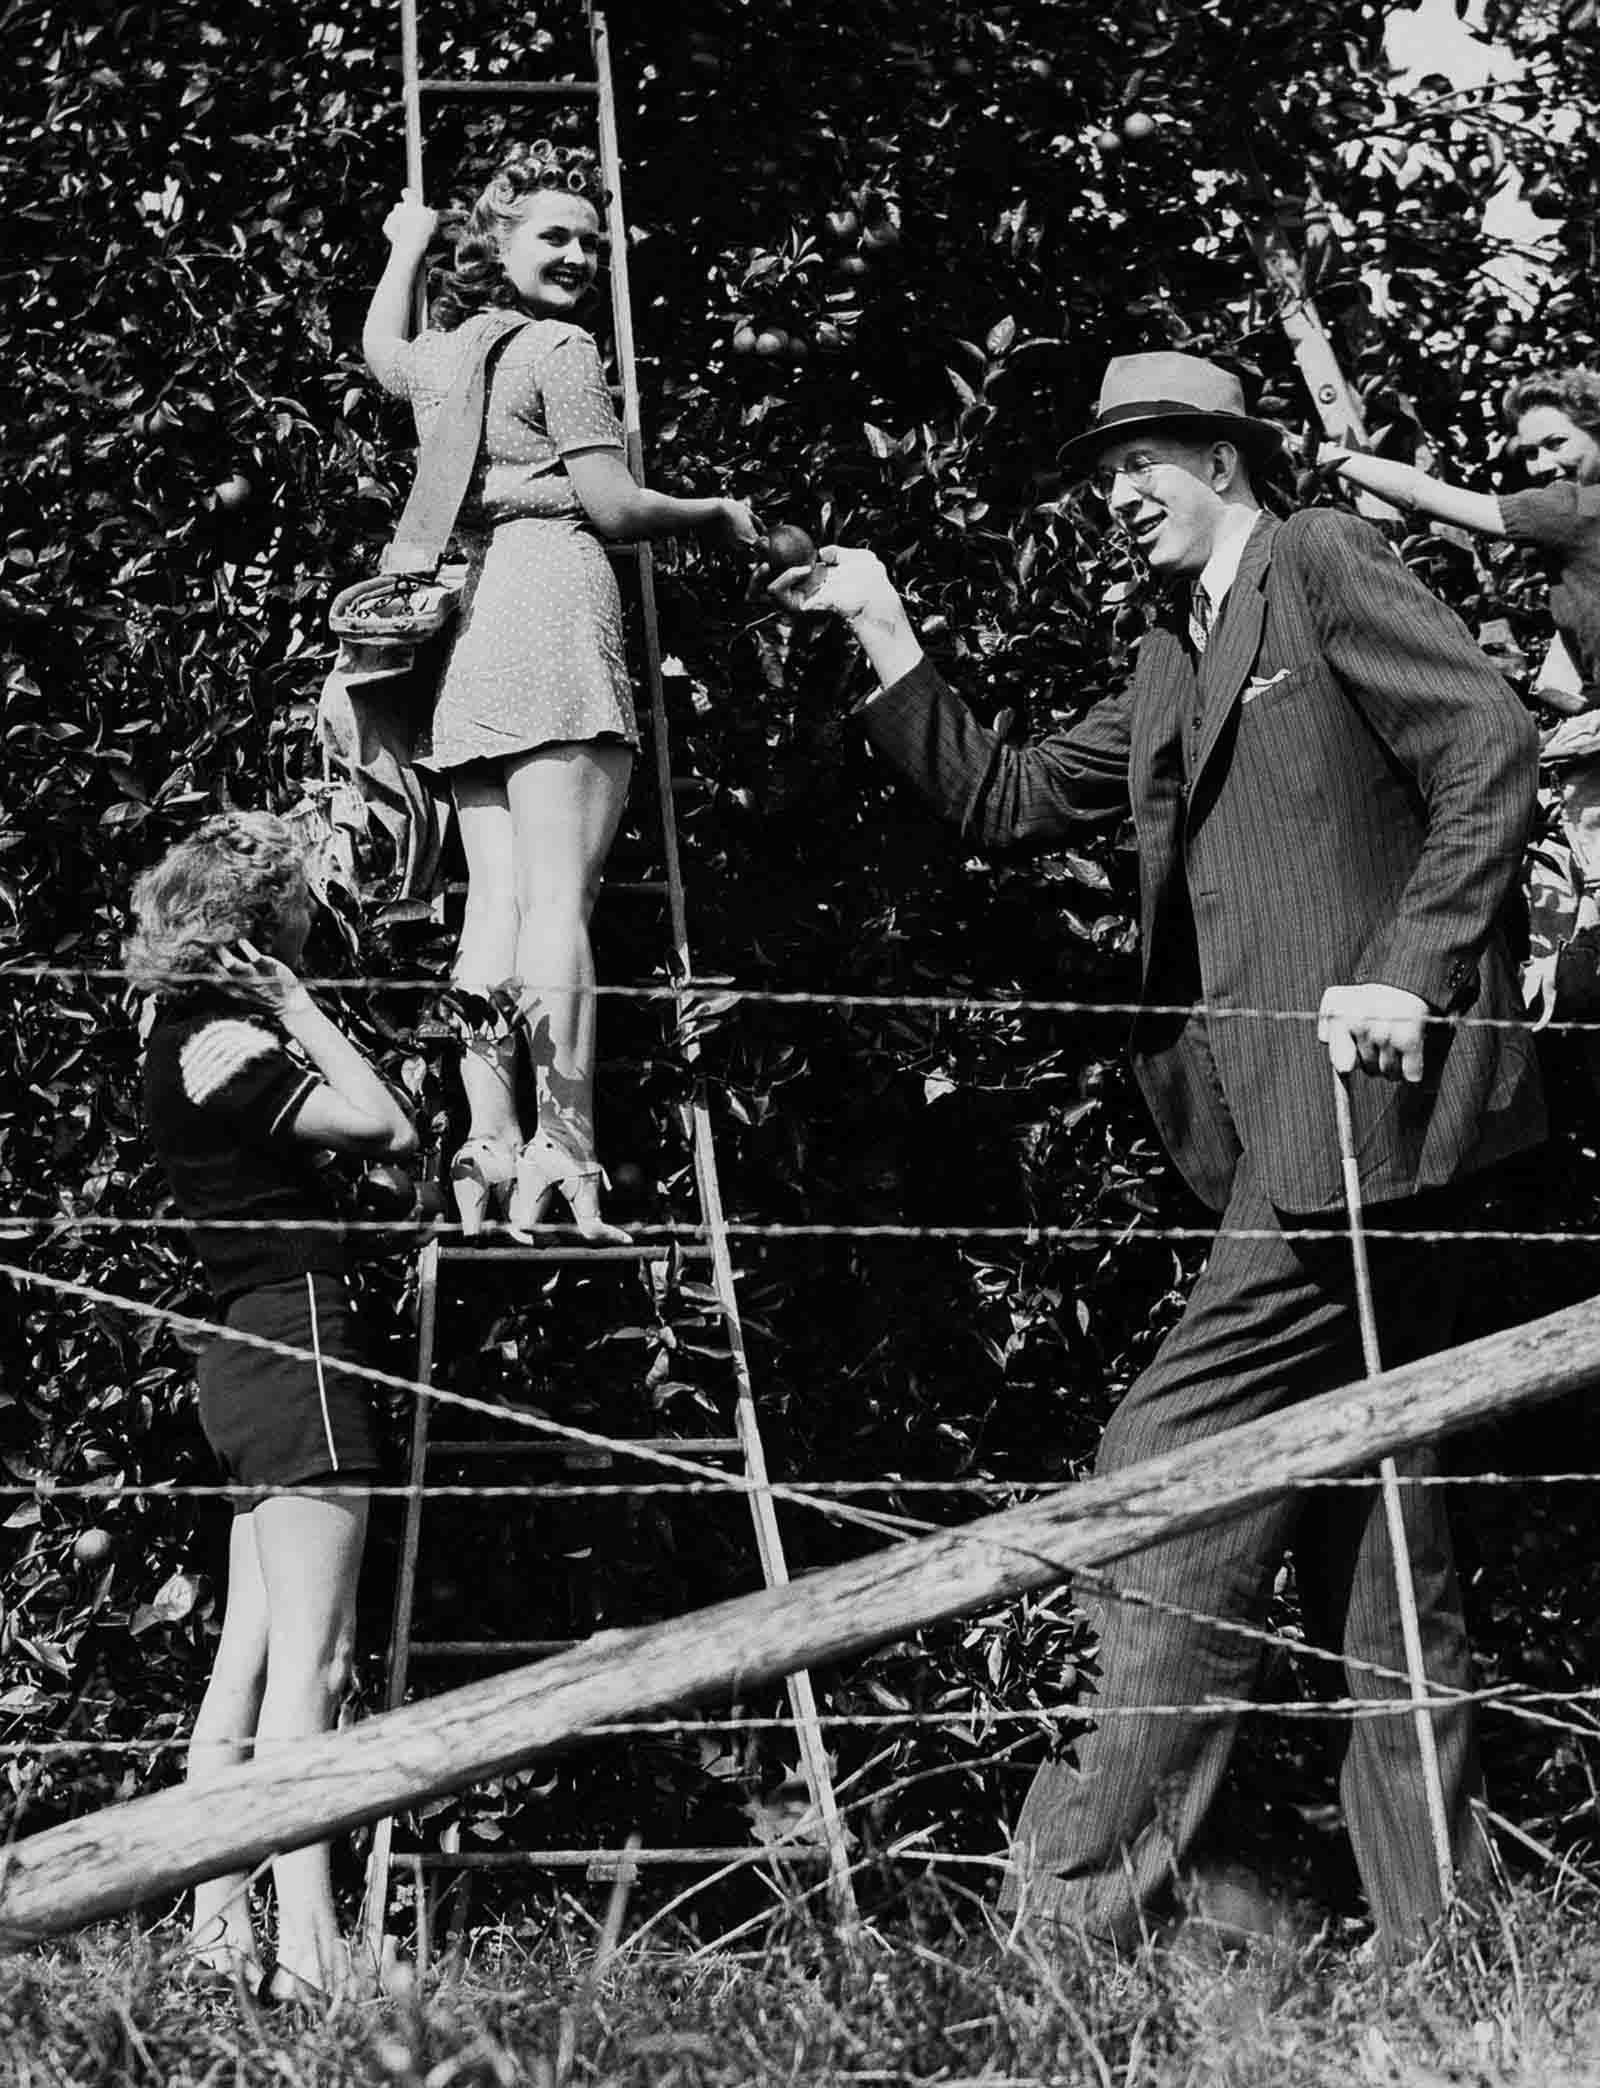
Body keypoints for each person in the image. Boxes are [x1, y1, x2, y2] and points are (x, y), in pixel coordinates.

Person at [772, 352, 1545, 1954]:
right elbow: (1001, 798)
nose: (1118, 497)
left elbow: (1490, 750)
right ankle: (1445, 1939)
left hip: (1370, 1134)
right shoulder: (1168, 658)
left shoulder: (1320, 557)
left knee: (1159, 1472)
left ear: (1226, 461)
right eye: (1106, 471)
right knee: (1374, 1532)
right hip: (1273, 1149)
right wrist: (881, 623)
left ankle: (1078, 1923)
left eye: (1144, 464)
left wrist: (1414, 965)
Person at [361, 141, 758, 1243]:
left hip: (467, 629)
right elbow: (615, 507)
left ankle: (485, 1135)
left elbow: (381, 353)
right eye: (555, 236)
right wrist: (715, 512)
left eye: (590, 239)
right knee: (557, 901)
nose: (580, 254)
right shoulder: (563, 349)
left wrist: (402, 249)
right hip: (550, 604)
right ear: (499, 247)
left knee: (490, 902)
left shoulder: (455, 355)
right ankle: (562, 1139)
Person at [128, 811, 417, 2002]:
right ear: (258, 931)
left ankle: (215, 1930)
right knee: (320, 1661)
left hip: (243, 1347)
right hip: (295, 1335)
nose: (315, 910)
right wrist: (301, 1006)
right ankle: (311, 1958)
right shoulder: (229, 1048)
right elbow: (386, 1122)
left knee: (244, 1662)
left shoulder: (170, 1036)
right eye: (296, 900)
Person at [1322, 369, 1600, 1020]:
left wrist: (1332, 458)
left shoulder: (1572, 512)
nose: (1542, 463)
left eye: (1558, 442)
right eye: (1530, 452)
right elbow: (1562, 679)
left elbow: (1423, 494)